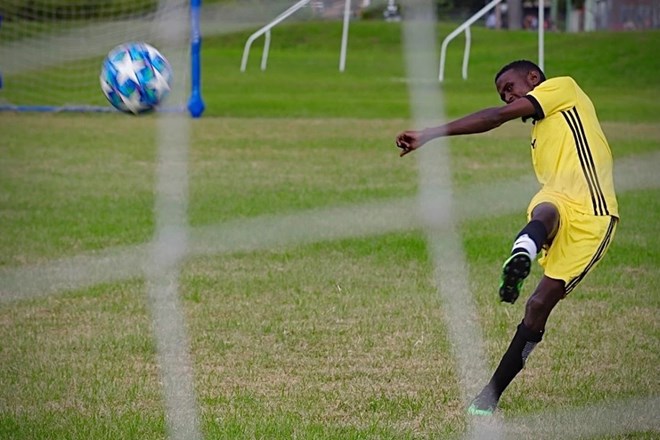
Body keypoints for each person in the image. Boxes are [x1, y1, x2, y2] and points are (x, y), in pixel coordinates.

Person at [395, 60, 619, 415]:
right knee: (544, 209)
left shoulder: (563, 88)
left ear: (533, 77)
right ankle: (523, 251)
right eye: (503, 94)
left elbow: (497, 117)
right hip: (558, 200)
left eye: (510, 88)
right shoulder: (539, 134)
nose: (508, 97)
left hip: (593, 213)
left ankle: (492, 391)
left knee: (537, 307)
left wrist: (430, 133)